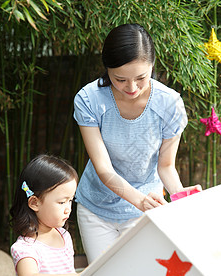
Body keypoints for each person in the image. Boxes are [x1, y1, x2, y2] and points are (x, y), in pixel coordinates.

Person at [73, 23, 202, 263]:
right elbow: (103, 168)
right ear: (107, 69)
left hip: (147, 209)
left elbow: (166, 166)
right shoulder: (89, 99)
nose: (131, 88)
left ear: (152, 66)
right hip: (96, 208)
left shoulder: (170, 104)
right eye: (120, 79)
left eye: (141, 78)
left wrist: (180, 198)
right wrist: (138, 199)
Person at [9, 154, 80, 276]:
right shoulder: (25, 247)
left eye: (70, 201)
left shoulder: (64, 236)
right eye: (61, 202)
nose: (68, 209)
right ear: (35, 203)